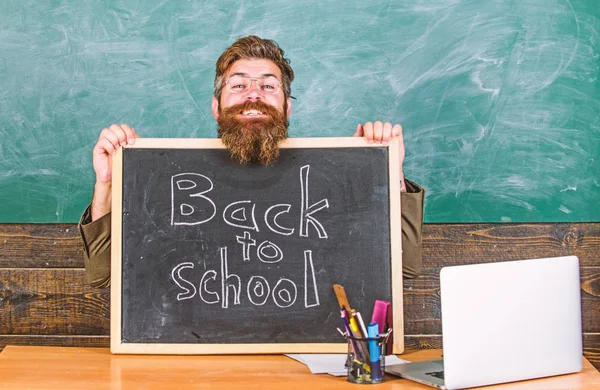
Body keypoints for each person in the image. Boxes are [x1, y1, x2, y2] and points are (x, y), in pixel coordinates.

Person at [78, 35, 425, 288]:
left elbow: (405, 269)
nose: (254, 94)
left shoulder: (335, 175)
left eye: (268, 86)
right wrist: (106, 184)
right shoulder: (169, 179)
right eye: (239, 84)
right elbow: (102, 276)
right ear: (216, 106)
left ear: (287, 107)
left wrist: (388, 170)